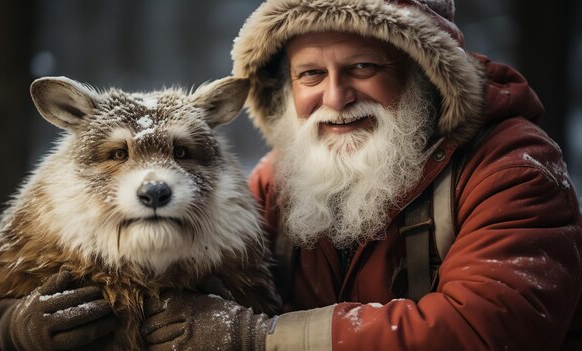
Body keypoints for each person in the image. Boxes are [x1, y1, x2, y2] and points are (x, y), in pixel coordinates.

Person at [140, 0, 582, 350]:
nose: (335, 97)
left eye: (363, 68)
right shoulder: (277, 181)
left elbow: (484, 331)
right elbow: (192, 289)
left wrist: (263, 339)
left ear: (424, 73)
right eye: (311, 74)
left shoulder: (513, 168)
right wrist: (101, 313)